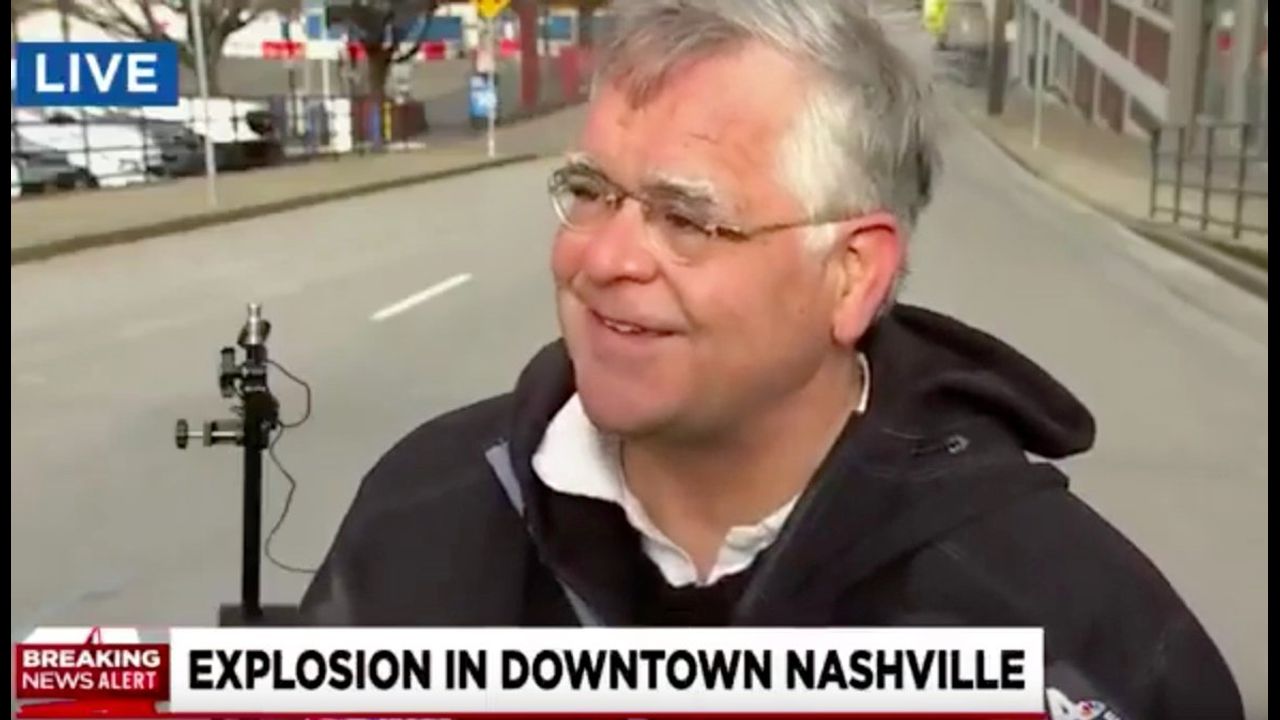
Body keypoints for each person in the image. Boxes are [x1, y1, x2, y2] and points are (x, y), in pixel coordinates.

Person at [301, 1, 1244, 717]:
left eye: (686, 217)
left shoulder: (1073, 638)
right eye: (591, 192)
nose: (604, 257)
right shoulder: (425, 510)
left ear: (852, 275)